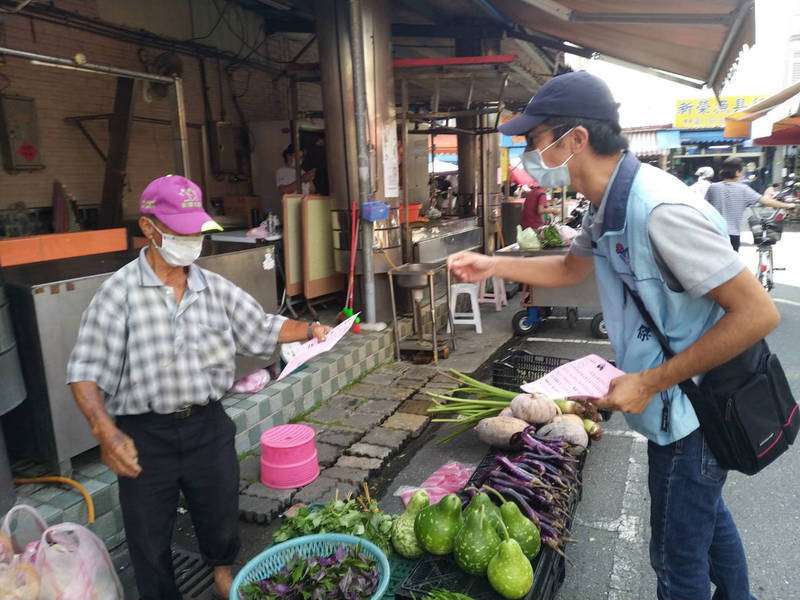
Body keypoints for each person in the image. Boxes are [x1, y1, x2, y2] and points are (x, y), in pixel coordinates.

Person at [447, 71, 782, 600]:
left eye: (536, 141)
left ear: (575, 139)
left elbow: (758, 313)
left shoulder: (659, 209)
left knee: (675, 561)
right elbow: (570, 270)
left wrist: (651, 381)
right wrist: (492, 266)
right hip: (679, 408)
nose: (529, 153)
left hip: (694, 410)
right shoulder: (609, 205)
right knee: (707, 524)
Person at [67, 175, 332, 600]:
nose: (191, 239)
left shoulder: (213, 288)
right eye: (179, 230)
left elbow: (261, 326)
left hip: (206, 424)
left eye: (196, 230)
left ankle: (221, 572)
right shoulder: (117, 294)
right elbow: (84, 370)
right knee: (147, 535)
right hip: (144, 432)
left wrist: (311, 328)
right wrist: (104, 430)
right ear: (149, 229)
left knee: (219, 511)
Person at [705, 156, 795, 251]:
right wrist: (787, 205)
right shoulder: (743, 189)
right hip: (732, 235)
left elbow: (704, 208)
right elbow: (766, 201)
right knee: (732, 264)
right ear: (737, 172)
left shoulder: (713, 188)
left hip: (714, 234)